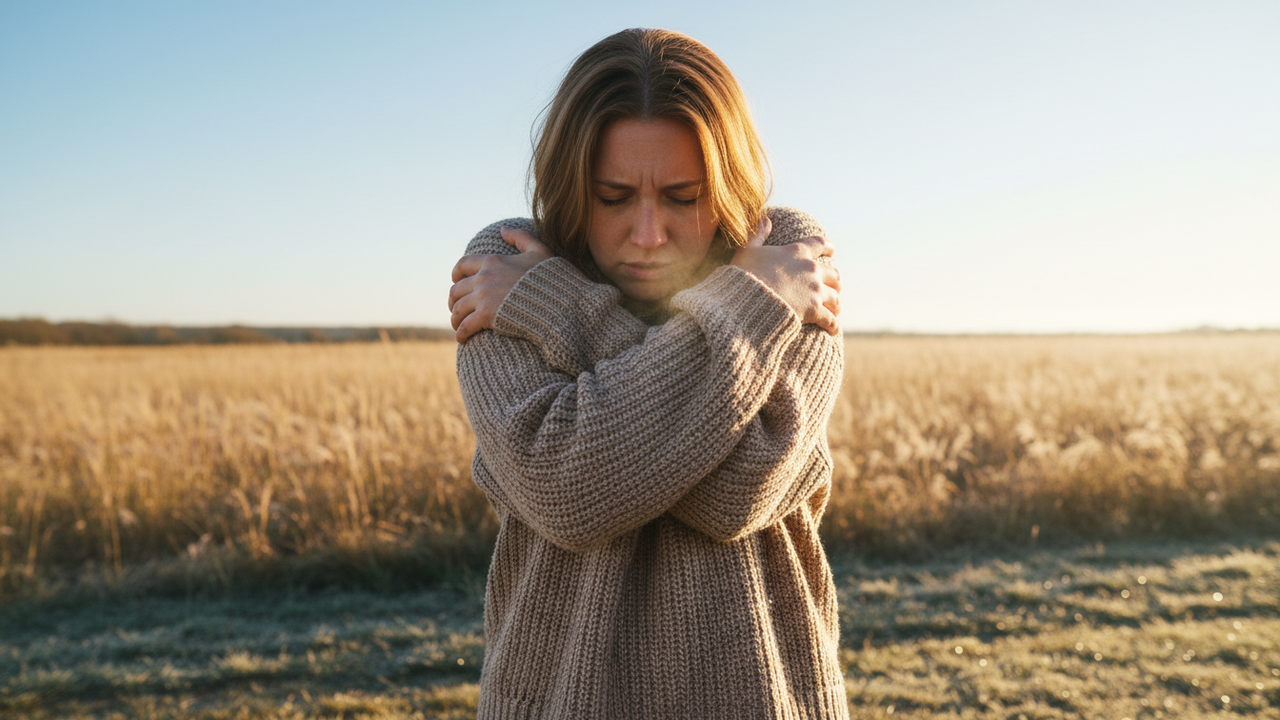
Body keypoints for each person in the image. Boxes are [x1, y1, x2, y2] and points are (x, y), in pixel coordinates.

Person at [447, 28, 848, 720]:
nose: (648, 234)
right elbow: (566, 489)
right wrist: (750, 309)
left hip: (766, 698)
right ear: (571, 185)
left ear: (726, 183)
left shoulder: (785, 255)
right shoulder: (506, 257)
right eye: (612, 196)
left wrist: (559, 309)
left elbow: (740, 492)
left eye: (684, 196)